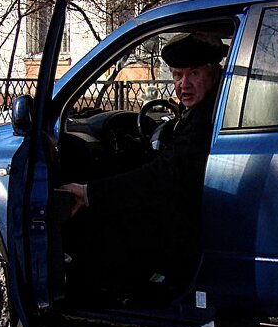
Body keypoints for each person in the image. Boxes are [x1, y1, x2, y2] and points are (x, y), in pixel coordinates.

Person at [61, 32, 225, 296]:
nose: (184, 84)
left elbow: (163, 177)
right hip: (189, 215)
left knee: (101, 221)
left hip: (184, 229)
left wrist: (89, 193)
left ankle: (104, 296)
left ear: (213, 73)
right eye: (177, 75)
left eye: (194, 73)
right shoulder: (206, 110)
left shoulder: (205, 119)